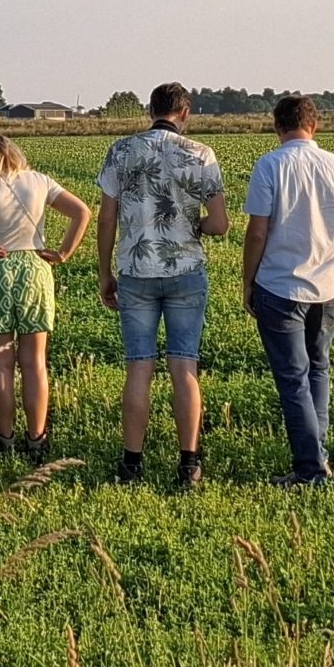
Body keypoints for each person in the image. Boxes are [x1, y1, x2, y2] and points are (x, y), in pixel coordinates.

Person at [95, 83, 228, 488]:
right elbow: (220, 224)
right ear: (184, 113)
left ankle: (132, 464)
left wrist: (104, 273)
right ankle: (189, 464)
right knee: (184, 365)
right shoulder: (201, 155)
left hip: (136, 271)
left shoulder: (121, 151)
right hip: (186, 269)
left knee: (139, 367)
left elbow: (106, 219)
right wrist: (195, 226)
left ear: (150, 110)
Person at [241, 94, 334, 487]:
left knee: (293, 378)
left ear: (277, 126)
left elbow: (258, 231)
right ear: (316, 125)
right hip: (329, 288)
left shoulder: (270, 165)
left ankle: (310, 468)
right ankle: (318, 457)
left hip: (280, 285)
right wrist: (330, 261)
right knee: (319, 370)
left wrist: (248, 281)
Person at [0, 134, 89, 461]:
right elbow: (82, 212)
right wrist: (65, 252)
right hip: (35, 268)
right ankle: (37, 440)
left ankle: (3, 438)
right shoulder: (39, 181)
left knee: (0, 363)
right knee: (35, 362)